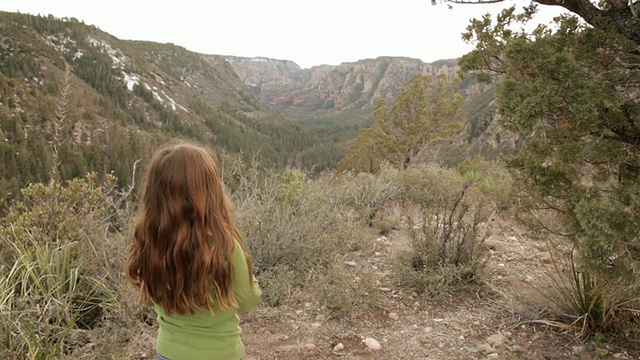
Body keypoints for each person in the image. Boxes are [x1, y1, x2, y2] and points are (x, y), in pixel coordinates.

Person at [125, 142, 261, 360]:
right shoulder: (225, 245)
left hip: (168, 352)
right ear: (211, 191)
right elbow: (248, 301)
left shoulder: (149, 240)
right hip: (221, 354)